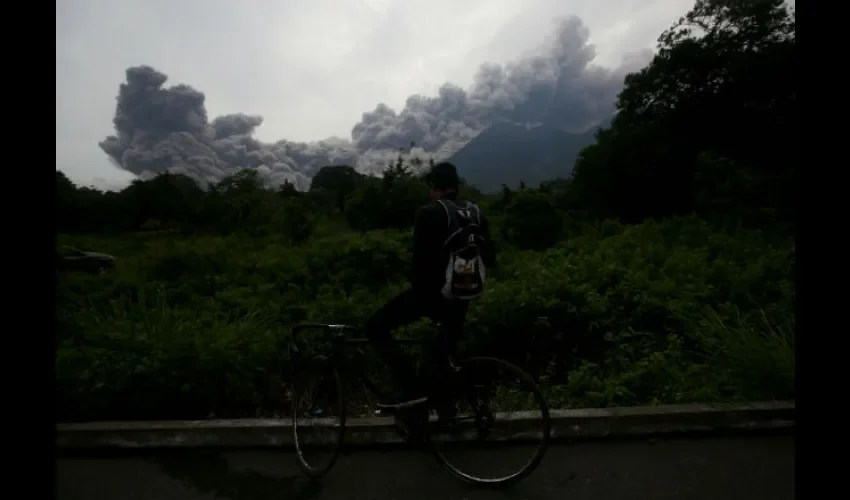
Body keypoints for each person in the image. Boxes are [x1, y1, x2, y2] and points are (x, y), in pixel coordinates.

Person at [363, 161, 497, 409]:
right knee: (440, 354)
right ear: (456, 186)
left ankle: (410, 389)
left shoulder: (430, 212)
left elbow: (421, 265)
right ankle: (444, 409)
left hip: (433, 295)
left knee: (375, 327)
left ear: (433, 186)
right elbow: (490, 258)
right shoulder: (476, 212)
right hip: (466, 294)